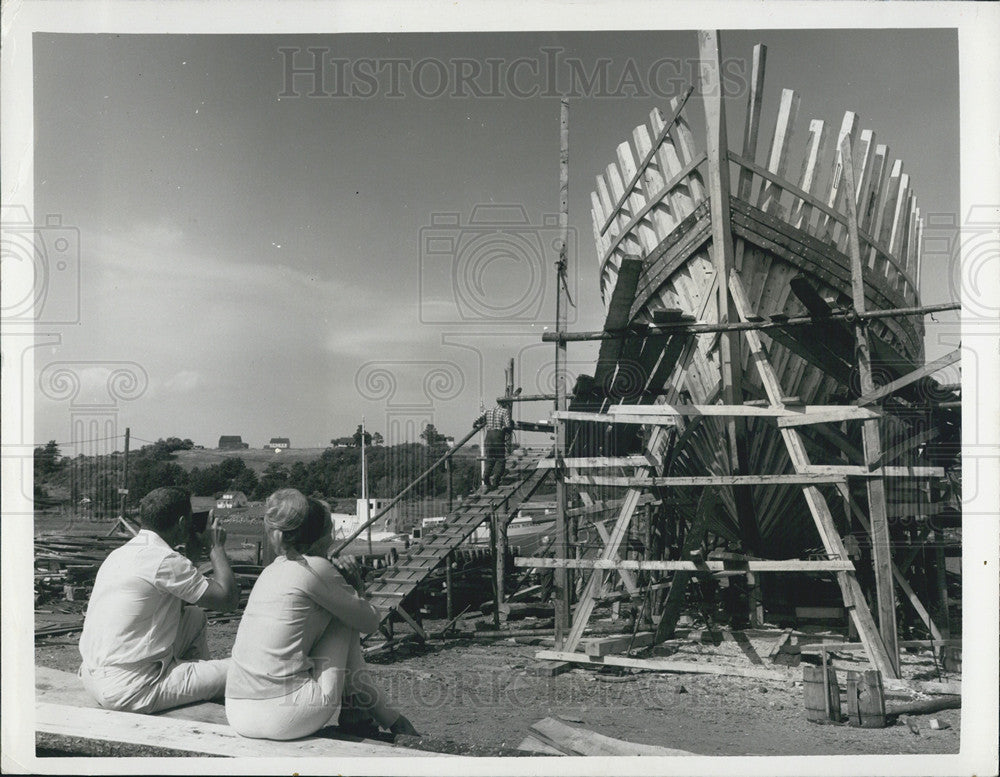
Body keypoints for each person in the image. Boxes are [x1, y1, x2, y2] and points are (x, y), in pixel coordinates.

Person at [225, 489, 417, 741]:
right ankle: (383, 719)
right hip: (283, 718)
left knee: (339, 616)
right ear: (321, 536)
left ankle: (375, 717)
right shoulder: (317, 569)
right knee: (345, 619)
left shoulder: (271, 570)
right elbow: (369, 622)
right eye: (331, 530)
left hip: (238, 711)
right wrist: (356, 586)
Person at [78, 487, 239, 713]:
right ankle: (195, 688)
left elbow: (177, 601)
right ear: (183, 522)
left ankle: (194, 686)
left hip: (94, 675)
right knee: (242, 670)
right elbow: (228, 599)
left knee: (194, 617)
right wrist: (215, 547)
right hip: (131, 687)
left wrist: (191, 556)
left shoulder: (123, 552)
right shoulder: (165, 560)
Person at [474, 398, 514, 491]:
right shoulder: (504, 411)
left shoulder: (488, 411)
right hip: (498, 436)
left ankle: (486, 478)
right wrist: (508, 427)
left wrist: (475, 425)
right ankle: (496, 480)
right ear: (505, 404)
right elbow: (508, 425)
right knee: (500, 460)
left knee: (490, 459)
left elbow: (476, 420)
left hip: (488, 437)